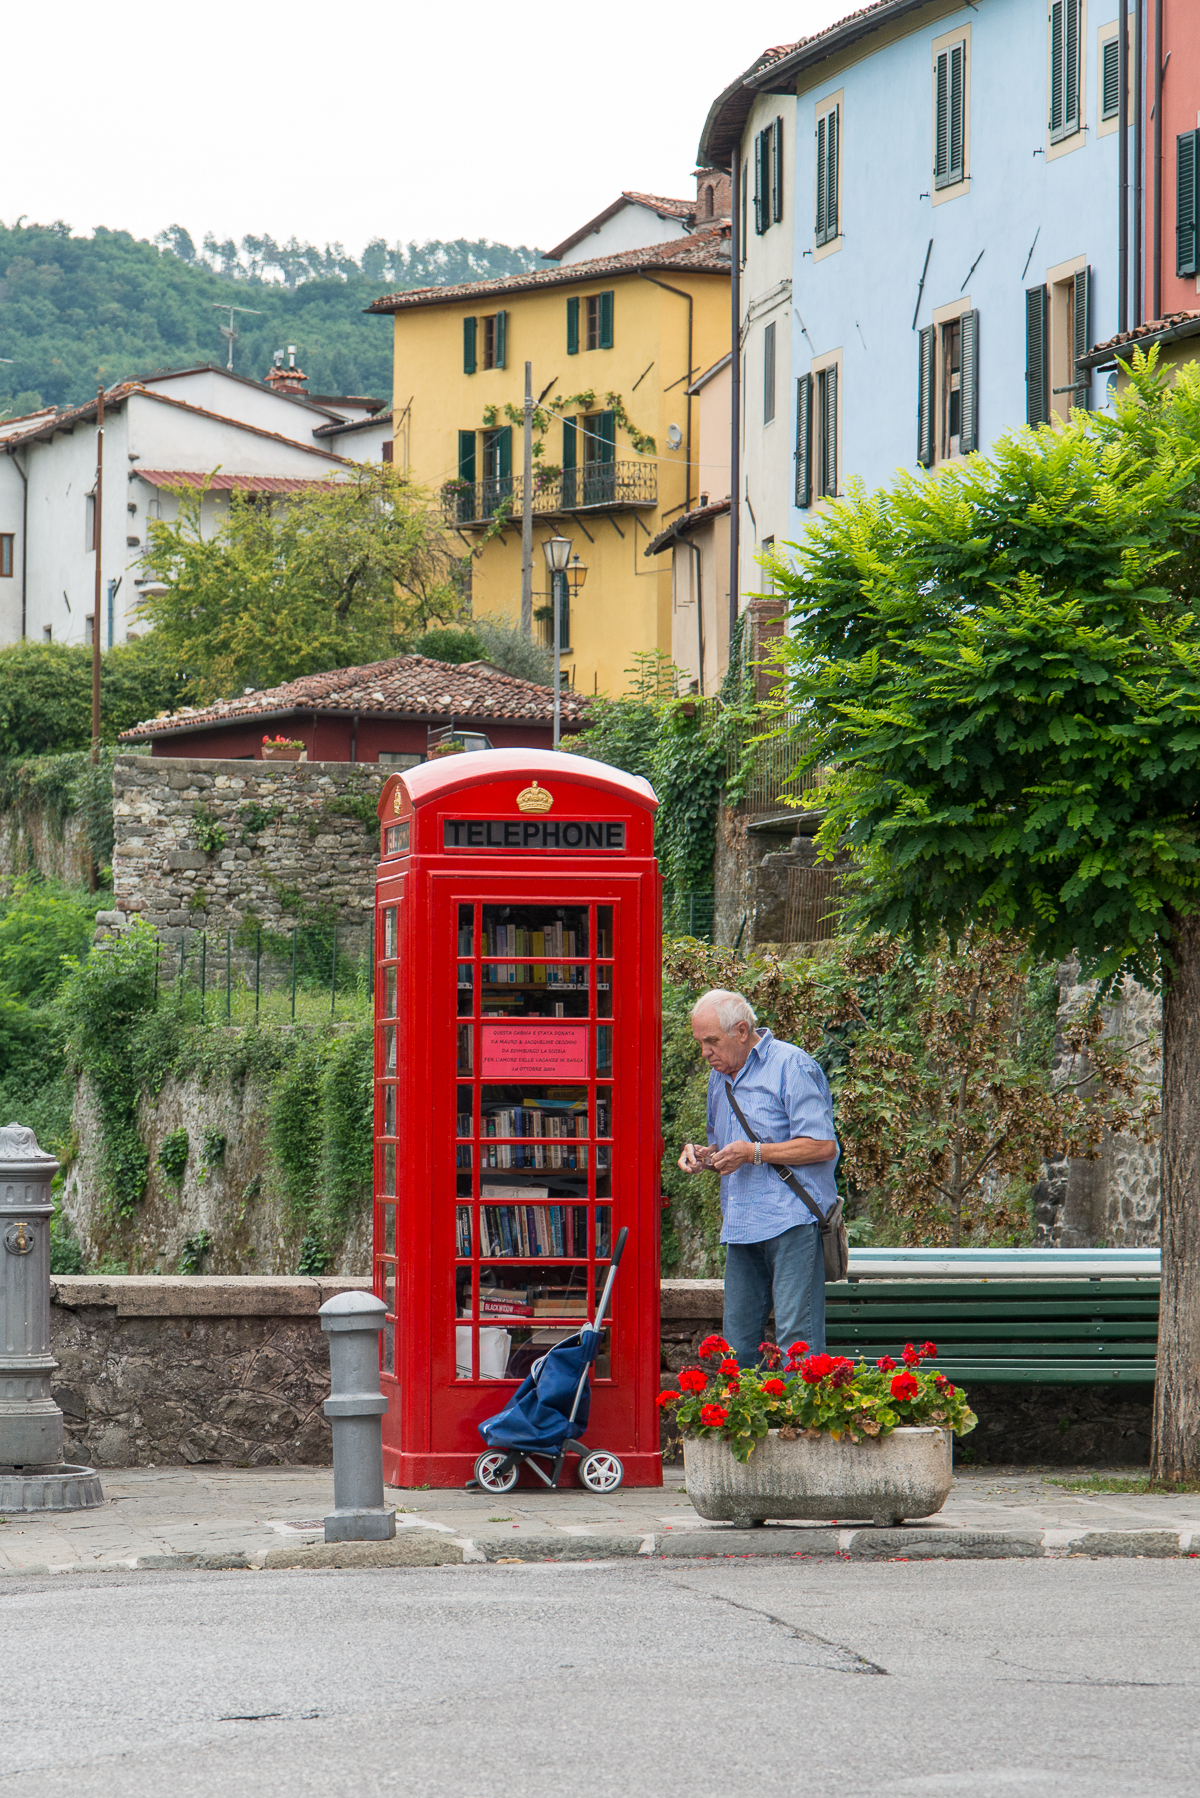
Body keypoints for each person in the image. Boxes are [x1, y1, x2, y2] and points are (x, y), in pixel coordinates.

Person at [678, 988, 838, 1367]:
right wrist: (703, 1156)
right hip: (741, 1224)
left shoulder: (792, 1066)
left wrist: (753, 1153)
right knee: (737, 1344)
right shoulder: (719, 1080)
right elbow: (724, 1149)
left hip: (792, 1222)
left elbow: (822, 1145)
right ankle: (744, 1424)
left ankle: (803, 1425)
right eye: (700, 1043)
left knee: (797, 1340)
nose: (705, 1053)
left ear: (741, 1030)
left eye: (712, 1041)